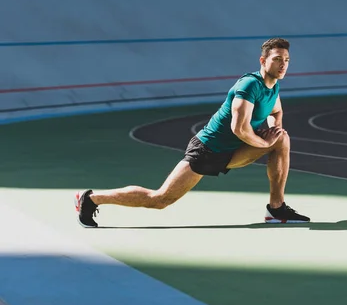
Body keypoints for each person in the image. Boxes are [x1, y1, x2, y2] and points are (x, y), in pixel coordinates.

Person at [75, 37, 310, 227]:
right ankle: (91, 198)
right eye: (278, 59)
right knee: (160, 199)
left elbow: (276, 111)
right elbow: (238, 128)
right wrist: (262, 142)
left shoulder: (273, 85)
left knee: (281, 138)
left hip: (234, 150)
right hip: (207, 150)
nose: (283, 64)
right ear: (263, 60)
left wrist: (272, 130)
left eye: (287, 60)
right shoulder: (249, 85)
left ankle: (276, 208)